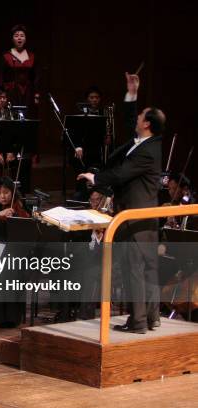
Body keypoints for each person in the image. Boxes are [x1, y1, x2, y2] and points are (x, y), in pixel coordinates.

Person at [78, 72, 163, 333]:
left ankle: (138, 322)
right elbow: (130, 122)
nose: (136, 119)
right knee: (146, 270)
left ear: (147, 124)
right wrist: (132, 94)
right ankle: (150, 318)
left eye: (140, 116)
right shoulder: (145, 141)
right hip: (141, 218)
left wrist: (96, 177)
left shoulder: (148, 151)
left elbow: (122, 174)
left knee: (136, 271)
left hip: (135, 218)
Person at [0, 24, 40, 114]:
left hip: (28, 92)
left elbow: (36, 76)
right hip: (11, 92)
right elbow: (1, 76)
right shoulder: (6, 56)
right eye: (16, 36)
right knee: (12, 116)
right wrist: (2, 94)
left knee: (28, 116)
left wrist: (36, 93)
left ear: (25, 38)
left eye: (22, 36)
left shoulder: (32, 56)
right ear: (12, 39)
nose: (19, 38)